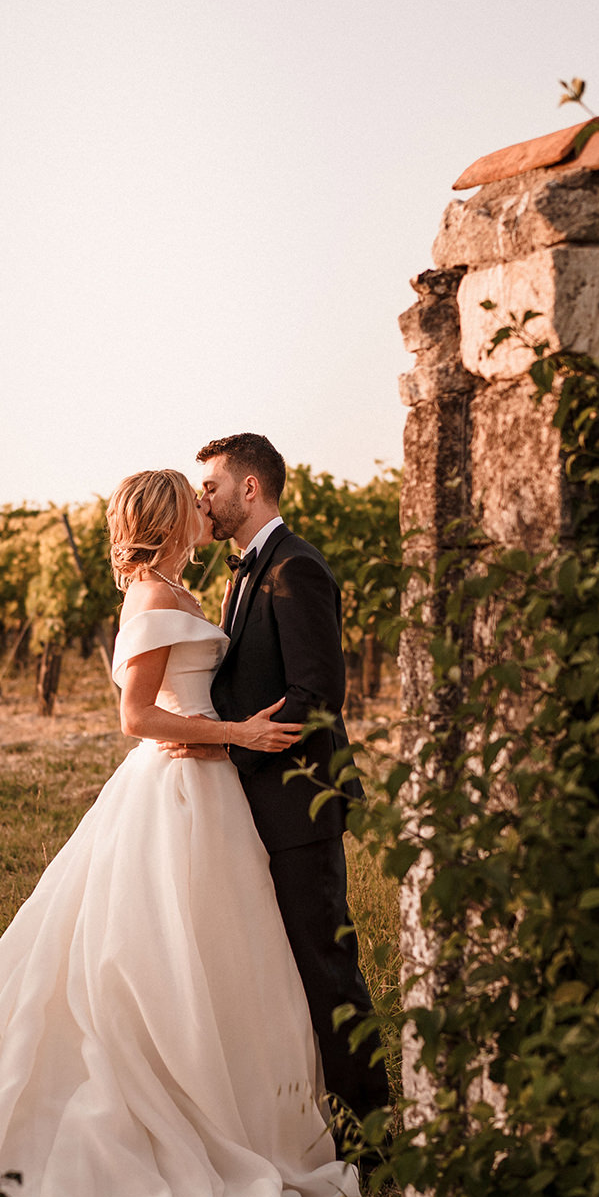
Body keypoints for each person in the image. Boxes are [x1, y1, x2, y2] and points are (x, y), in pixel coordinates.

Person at [0, 468, 367, 1197]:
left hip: (213, 806)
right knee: (158, 970)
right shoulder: (153, 599)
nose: (206, 503)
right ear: (163, 520)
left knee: (229, 969)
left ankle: (244, 1112)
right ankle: (185, 1121)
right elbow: (137, 719)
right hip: (171, 792)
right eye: (189, 496)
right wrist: (235, 732)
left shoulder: (190, 589)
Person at [193, 433, 387, 1131]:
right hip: (258, 801)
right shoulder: (244, 569)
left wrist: (231, 751)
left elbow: (316, 693)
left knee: (325, 963)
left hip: (299, 802)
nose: (202, 500)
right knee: (277, 966)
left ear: (251, 488)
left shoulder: (294, 568)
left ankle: (370, 1125)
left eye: (211, 485)